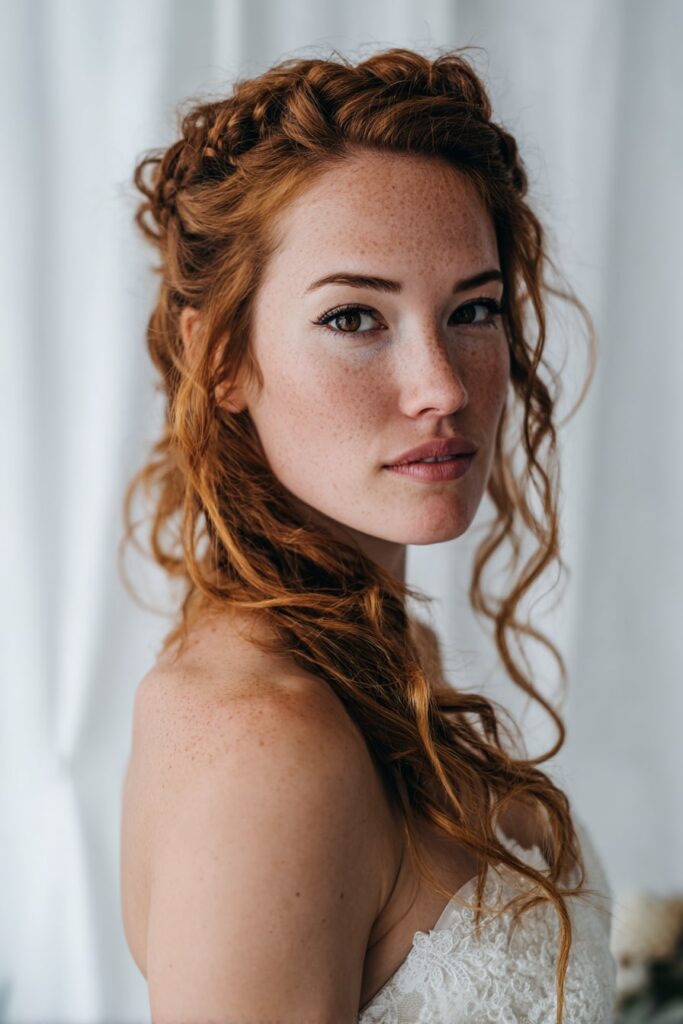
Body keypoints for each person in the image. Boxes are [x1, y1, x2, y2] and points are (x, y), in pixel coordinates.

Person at [118, 45, 617, 1023]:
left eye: (471, 309)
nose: (442, 387)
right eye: (355, 316)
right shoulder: (262, 741)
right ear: (220, 354)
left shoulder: (389, 655)